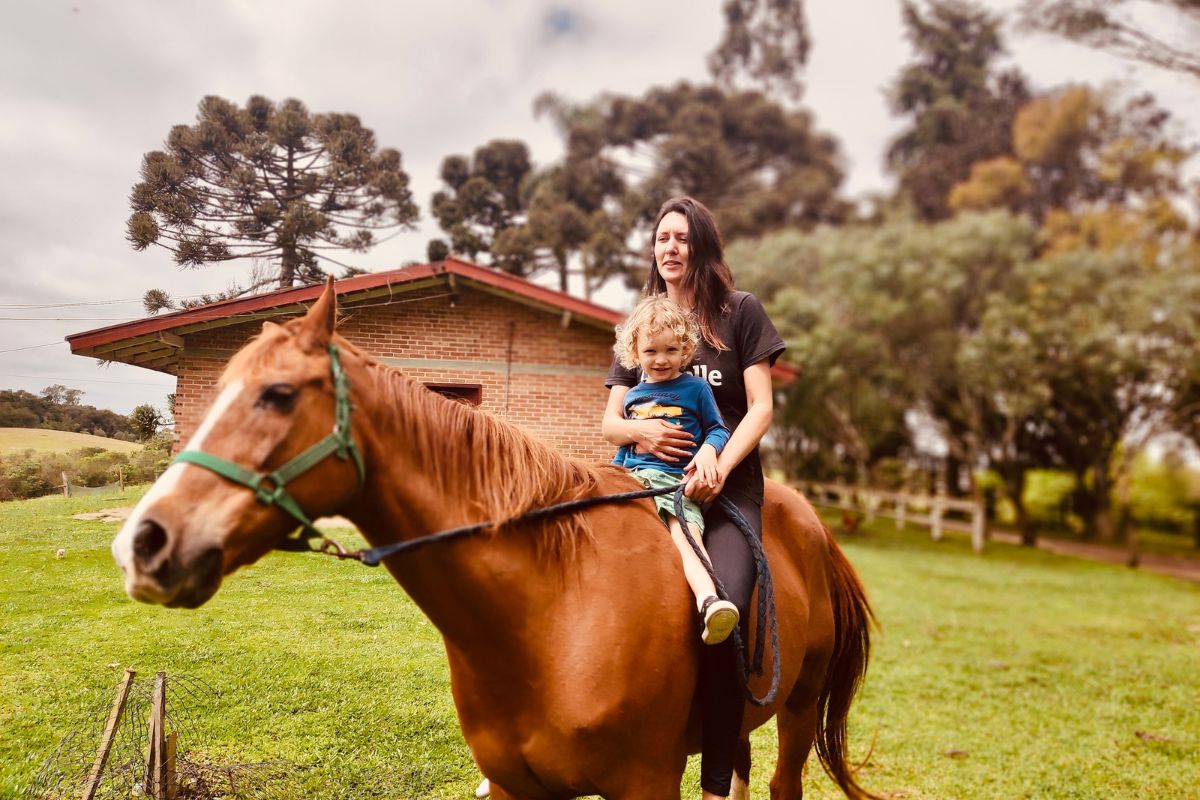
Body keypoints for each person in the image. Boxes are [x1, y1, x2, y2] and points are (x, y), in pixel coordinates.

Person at [602, 196, 785, 800]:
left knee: (723, 610)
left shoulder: (740, 313)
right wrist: (642, 432)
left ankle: (714, 788)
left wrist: (716, 459)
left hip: (728, 492)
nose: (670, 247)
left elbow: (760, 407)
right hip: (645, 484)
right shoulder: (642, 322)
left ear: (701, 244)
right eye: (661, 238)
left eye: (681, 237)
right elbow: (611, 418)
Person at [611, 294, 740, 645]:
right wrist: (614, 476)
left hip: (675, 484)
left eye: (670, 350)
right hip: (634, 481)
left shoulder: (696, 388)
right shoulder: (631, 395)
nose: (661, 359)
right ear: (635, 353)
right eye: (651, 351)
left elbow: (718, 428)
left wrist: (710, 454)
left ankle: (709, 601)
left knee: (685, 536)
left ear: (685, 350)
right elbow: (624, 447)